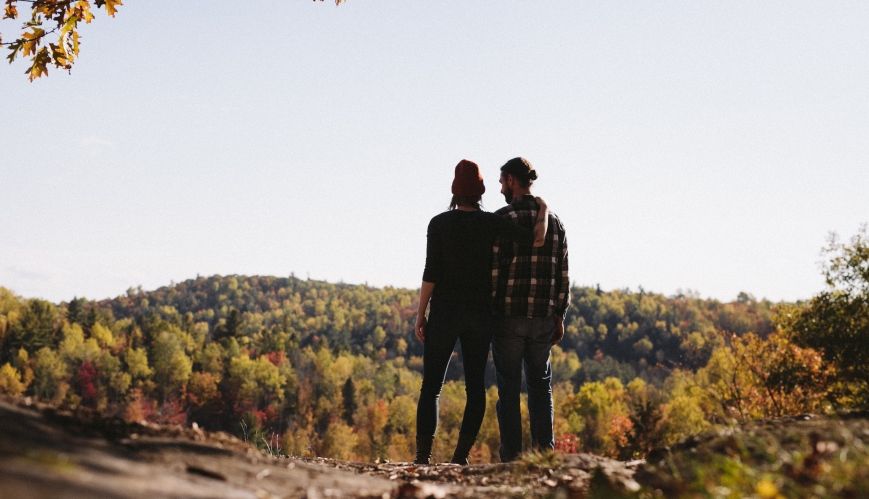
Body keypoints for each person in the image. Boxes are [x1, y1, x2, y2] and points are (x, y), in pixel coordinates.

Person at [414, 159, 548, 465]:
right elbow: (535, 239)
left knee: (432, 386)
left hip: (445, 313)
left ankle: (423, 458)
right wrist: (543, 208)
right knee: (475, 388)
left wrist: (421, 313)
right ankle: (459, 457)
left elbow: (430, 272)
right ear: (481, 191)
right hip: (479, 315)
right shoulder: (491, 223)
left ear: (454, 191)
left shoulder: (438, 224)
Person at [491, 157, 569, 462]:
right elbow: (563, 274)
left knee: (508, 389)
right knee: (540, 387)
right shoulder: (556, 223)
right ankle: (543, 455)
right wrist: (559, 314)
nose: (500, 188)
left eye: (501, 182)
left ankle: (511, 457)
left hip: (509, 317)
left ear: (511, 180)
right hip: (541, 319)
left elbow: (494, 272)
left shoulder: (502, 219)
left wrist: (492, 310)